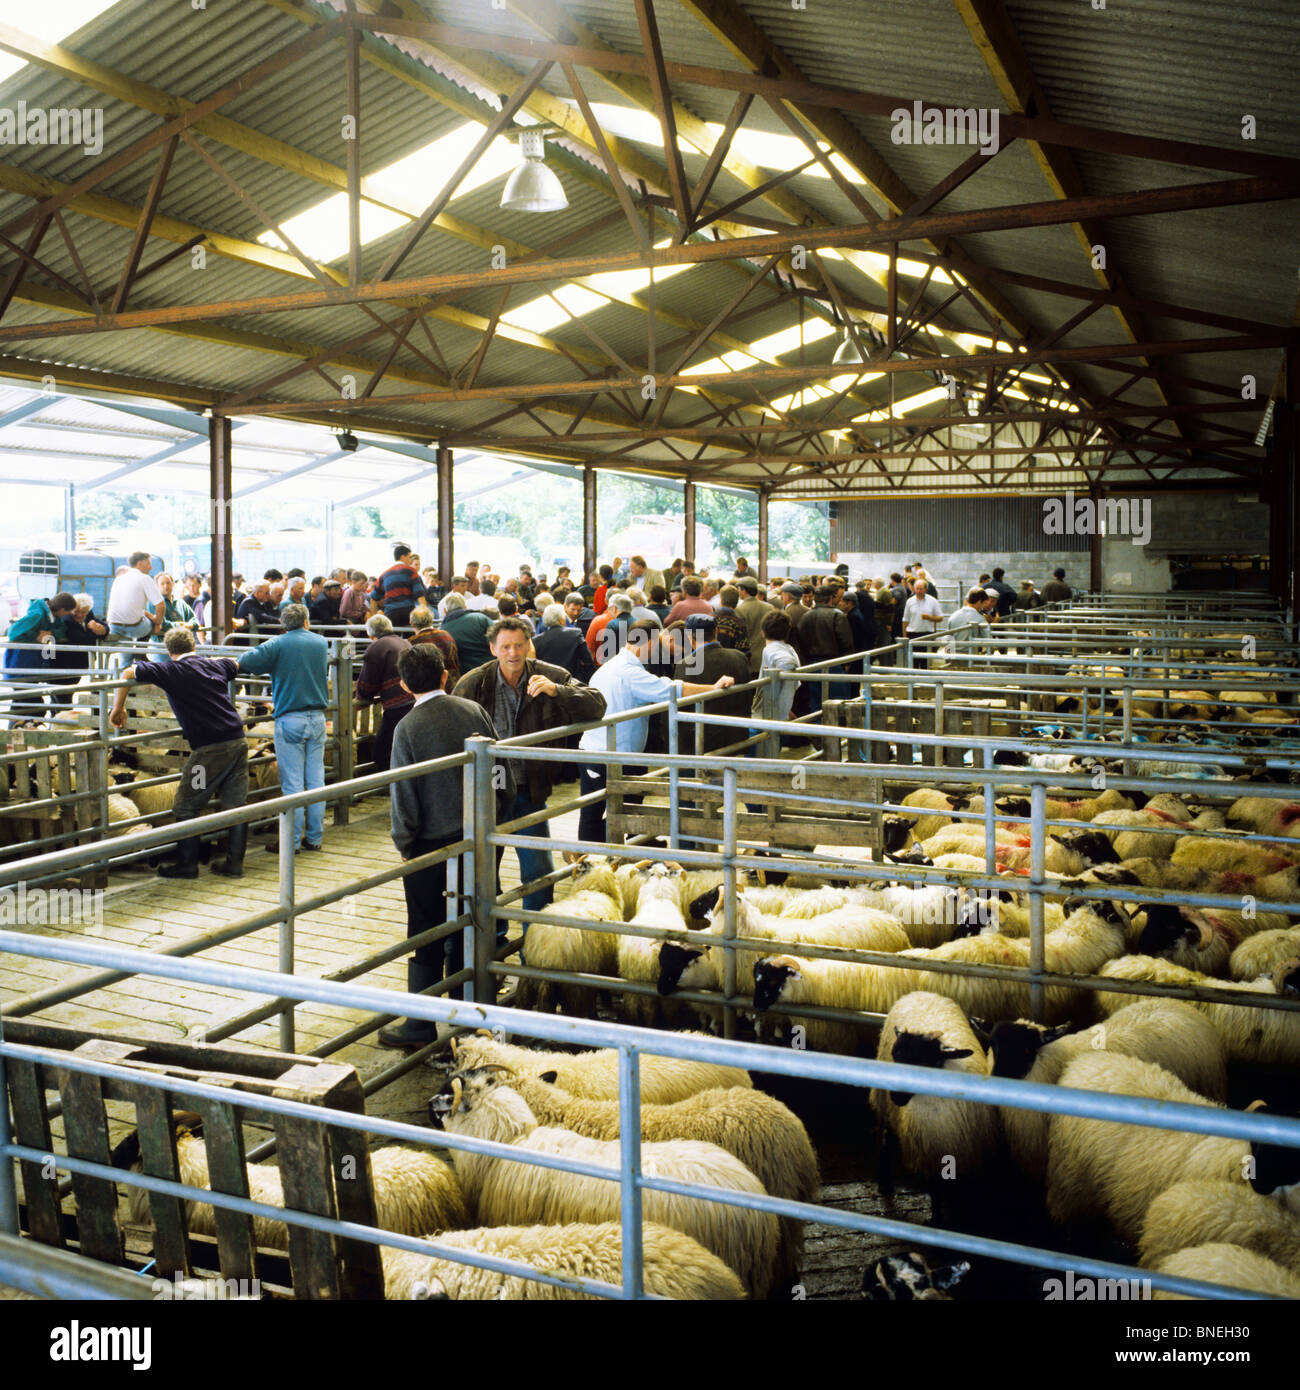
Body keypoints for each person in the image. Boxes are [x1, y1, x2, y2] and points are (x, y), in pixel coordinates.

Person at [380, 644, 510, 1046]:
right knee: (472, 916)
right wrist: (497, 812)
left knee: (426, 926)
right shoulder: (473, 711)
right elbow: (499, 769)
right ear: (444, 676)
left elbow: (404, 791)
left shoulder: (407, 727)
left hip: (430, 843)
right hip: (478, 834)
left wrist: (404, 840)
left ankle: (421, 1023)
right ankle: (468, 1005)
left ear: (403, 684)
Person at [454, 616, 605, 913]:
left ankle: (534, 939)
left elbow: (597, 705)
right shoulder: (473, 683)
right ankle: (492, 937)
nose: (513, 653)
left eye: (519, 645)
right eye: (506, 646)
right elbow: (452, 731)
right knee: (482, 869)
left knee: (538, 870)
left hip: (529, 787)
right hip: (489, 787)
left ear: (529, 645)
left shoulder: (550, 676)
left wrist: (556, 691)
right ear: (493, 649)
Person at [577, 619, 735, 842]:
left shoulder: (611, 666)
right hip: (606, 753)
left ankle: (625, 849)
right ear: (648, 641)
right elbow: (670, 688)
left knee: (621, 806)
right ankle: (592, 862)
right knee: (595, 813)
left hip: (609, 751)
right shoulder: (629, 672)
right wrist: (713, 688)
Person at [110, 626, 249, 879]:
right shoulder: (214, 665)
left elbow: (129, 671)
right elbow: (236, 665)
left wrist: (117, 708)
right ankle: (234, 864)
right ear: (194, 646)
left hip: (209, 750)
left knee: (186, 803)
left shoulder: (171, 670)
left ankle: (187, 865)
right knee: (236, 804)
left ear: (168, 651)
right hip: (237, 743)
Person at [236, 603, 329, 854]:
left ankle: (292, 841)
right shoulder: (321, 643)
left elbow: (245, 660)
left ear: (283, 624)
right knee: (316, 779)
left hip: (290, 719)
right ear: (307, 621)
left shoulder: (278, 643)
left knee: (293, 784)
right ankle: (315, 837)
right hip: (317, 718)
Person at [4, 591, 77, 721]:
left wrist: (49, 632)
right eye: (67, 612)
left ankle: (15, 736)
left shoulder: (51, 617)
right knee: (29, 705)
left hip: (30, 666)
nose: (67, 616)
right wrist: (36, 635)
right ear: (61, 609)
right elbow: (13, 632)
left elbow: (61, 630)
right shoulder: (37, 615)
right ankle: (13, 736)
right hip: (20, 665)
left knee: (23, 704)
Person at [356, 613, 413, 773]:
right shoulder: (404, 642)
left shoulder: (376, 648)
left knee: (382, 751)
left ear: (370, 634)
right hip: (413, 698)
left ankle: (389, 786)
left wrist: (359, 699)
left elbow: (367, 683)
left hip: (397, 704)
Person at [751, 610, 800, 759]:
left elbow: (787, 663)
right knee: (772, 750)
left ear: (763, 632)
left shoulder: (772, 649)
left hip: (766, 713)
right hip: (778, 712)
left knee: (757, 754)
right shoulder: (790, 649)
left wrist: (773, 677)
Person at [797, 584, 854, 712]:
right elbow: (846, 641)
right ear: (830, 598)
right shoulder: (838, 615)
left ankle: (818, 729)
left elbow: (801, 641)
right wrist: (847, 662)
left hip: (812, 665)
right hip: (834, 664)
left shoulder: (806, 616)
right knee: (838, 705)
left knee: (816, 705)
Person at [46, 594, 107, 710]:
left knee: (64, 696)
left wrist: (103, 629)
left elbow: (102, 624)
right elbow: (83, 640)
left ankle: (58, 722)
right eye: (76, 611)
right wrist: (94, 630)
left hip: (76, 666)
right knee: (61, 698)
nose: (79, 614)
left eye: (83, 612)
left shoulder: (88, 615)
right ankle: (60, 723)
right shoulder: (66, 620)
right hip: (62, 666)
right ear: (70, 609)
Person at [106, 551, 164, 642]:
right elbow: (160, 605)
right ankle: (140, 654)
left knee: (127, 654)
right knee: (154, 622)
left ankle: (136, 654)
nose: (151, 567)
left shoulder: (118, 579)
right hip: (134, 628)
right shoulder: (144, 578)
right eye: (149, 564)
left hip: (113, 626)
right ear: (139, 564)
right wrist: (158, 622)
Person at [534, 603, 596, 683]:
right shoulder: (575, 634)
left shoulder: (536, 641)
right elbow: (588, 662)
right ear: (561, 619)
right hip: (573, 684)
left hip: (548, 685)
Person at [370, 543, 426, 628]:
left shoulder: (384, 574)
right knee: (408, 639)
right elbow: (419, 595)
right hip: (408, 612)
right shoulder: (411, 571)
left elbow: (373, 598)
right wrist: (424, 615)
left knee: (392, 639)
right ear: (403, 556)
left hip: (390, 614)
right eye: (409, 557)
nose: (410, 560)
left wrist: (374, 619)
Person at [734, 576, 776, 679]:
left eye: (739, 589)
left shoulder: (739, 610)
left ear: (744, 590)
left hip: (751, 659)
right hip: (769, 656)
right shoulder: (769, 607)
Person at [408, 604, 459, 687]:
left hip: (429, 688)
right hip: (453, 685)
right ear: (431, 621)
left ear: (412, 624)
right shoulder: (446, 635)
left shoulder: (411, 643)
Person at [441, 591, 493, 672]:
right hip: (492, 668)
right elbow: (498, 640)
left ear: (445, 611)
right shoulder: (481, 618)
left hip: (466, 675)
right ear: (465, 606)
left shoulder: (443, 631)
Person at [902, 578, 944, 669]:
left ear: (926, 589)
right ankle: (913, 682)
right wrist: (905, 637)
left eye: (921, 589)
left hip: (927, 634)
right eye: (917, 588)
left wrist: (930, 617)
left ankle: (925, 681)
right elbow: (905, 620)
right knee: (913, 663)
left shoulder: (933, 601)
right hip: (913, 634)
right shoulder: (910, 601)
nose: (919, 591)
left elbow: (940, 618)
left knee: (926, 662)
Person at [946, 587, 994, 655]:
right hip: (970, 657)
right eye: (984, 603)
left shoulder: (953, 616)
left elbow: (948, 641)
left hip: (953, 656)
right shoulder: (979, 618)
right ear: (979, 601)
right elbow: (989, 639)